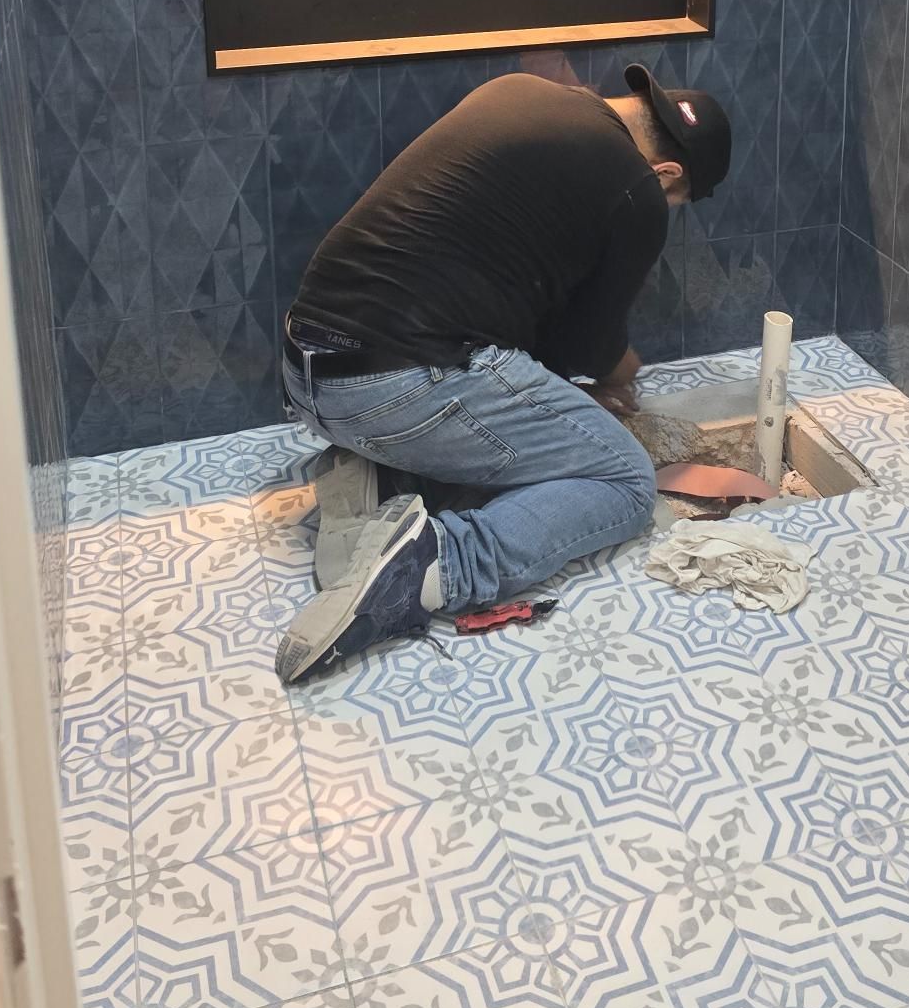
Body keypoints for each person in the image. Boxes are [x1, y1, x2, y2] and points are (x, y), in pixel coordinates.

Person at [274, 63, 732, 682]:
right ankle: (433, 567)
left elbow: (526, 325)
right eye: (674, 200)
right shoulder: (637, 189)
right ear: (669, 175)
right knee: (624, 482)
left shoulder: (521, 93)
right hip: (392, 386)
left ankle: (380, 482)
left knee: (505, 417)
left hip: (307, 376)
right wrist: (621, 371)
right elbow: (589, 349)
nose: (665, 206)